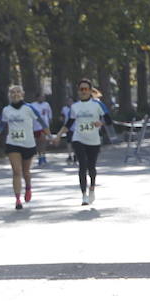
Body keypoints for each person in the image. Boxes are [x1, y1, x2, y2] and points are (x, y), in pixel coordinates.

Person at [61, 78, 113, 206]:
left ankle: (92, 188)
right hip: (79, 138)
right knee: (82, 165)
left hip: (94, 140)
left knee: (91, 168)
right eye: (81, 89)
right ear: (78, 91)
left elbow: (109, 120)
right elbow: (69, 123)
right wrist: (57, 135)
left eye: (86, 89)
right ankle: (83, 195)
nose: (83, 91)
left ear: (90, 91)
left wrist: (100, 122)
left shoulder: (98, 105)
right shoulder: (74, 106)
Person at [0, 85, 47, 210]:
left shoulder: (29, 108)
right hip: (13, 143)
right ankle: (18, 199)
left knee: (26, 172)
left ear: (22, 94)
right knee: (16, 171)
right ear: (10, 95)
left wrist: (50, 135)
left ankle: (28, 187)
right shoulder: (6, 110)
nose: (15, 94)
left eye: (18, 92)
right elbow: (1, 124)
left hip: (28, 144)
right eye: (12, 93)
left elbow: (41, 121)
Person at [33, 96, 54, 165]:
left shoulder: (46, 104)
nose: (41, 99)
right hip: (36, 126)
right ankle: (40, 156)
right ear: (37, 98)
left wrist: (50, 119)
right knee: (38, 142)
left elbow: (49, 113)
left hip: (44, 126)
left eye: (43, 97)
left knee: (43, 141)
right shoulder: (33, 105)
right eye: (40, 97)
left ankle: (43, 156)